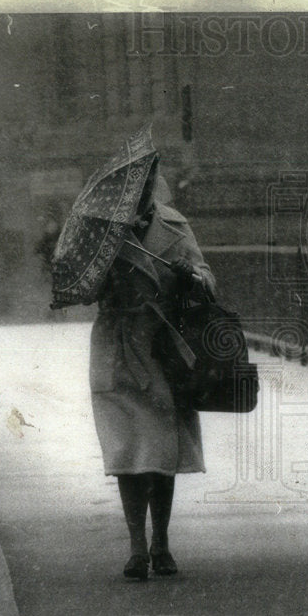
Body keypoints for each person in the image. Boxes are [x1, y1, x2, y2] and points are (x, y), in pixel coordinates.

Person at [89, 165, 215, 581]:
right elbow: (83, 290)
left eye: (144, 185)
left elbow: (208, 280)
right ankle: (136, 547)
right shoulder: (101, 234)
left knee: (161, 453)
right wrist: (105, 276)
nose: (138, 193)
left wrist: (190, 277)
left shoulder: (175, 225)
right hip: (118, 348)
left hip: (163, 348)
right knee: (128, 452)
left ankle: (160, 542)